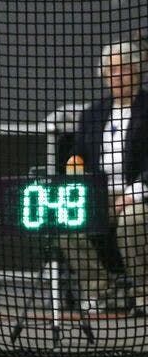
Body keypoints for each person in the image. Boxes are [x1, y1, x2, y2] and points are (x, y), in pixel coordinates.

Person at [60, 39, 148, 316]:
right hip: (99, 194)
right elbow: (78, 154)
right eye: (110, 71)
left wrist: (134, 192)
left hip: (138, 193)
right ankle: (99, 291)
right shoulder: (93, 115)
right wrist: (74, 167)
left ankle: (143, 293)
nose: (116, 76)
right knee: (65, 223)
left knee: (133, 219)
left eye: (122, 69)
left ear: (136, 71)